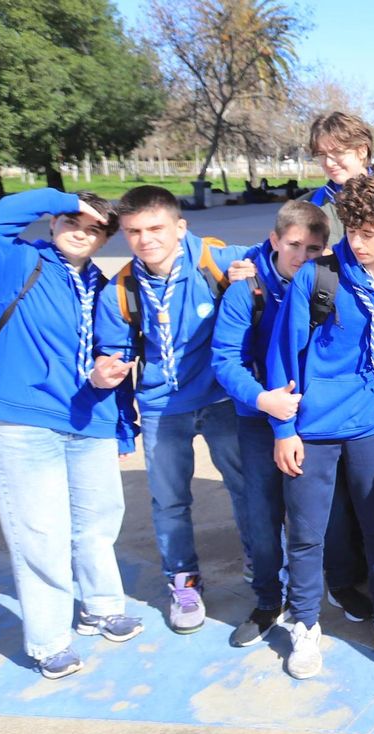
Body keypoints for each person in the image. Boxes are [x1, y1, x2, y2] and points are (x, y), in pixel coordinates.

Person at [0, 186, 140, 678]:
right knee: (39, 531)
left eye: (93, 230)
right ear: (52, 222)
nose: (81, 234)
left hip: (90, 419)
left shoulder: (103, 285)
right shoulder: (17, 263)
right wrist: (59, 198)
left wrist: (114, 397)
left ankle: (102, 605)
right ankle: (49, 639)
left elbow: (112, 350)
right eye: (72, 223)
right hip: (26, 419)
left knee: (99, 520)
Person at [91, 186, 257, 634]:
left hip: (221, 398)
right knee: (169, 501)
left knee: (245, 486)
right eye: (134, 231)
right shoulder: (121, 289)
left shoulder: (215, 260)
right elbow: (114, 353)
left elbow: (283, 249)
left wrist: (257, 270)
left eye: (156, 228)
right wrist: (109, 377)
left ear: (180, 227)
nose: (146, 239)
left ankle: (258, 559)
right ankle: (182, 581)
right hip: (163, 406)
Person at [266, 174, 374, 678]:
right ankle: (305, 625)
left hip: (370, 424)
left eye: (369, 231)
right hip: (314, 427)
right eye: (351, 229)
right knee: (307, 534)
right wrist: (285, 430)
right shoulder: (318, 277)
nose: (356, 241)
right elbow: (283, 354)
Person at [210, 200, 329, 649]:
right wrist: (263, 399)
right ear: (275, 241)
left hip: (312, 420)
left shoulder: (324, 284)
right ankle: (266, 600)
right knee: (261, 516)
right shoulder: (249, 288)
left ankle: (307, 606)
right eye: (294, 245)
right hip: (260, 418)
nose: (302, 256)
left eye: (314, 249)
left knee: (308, 518)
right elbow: (226, 358)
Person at [307, 111, 374, 246]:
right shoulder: (308, 205)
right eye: (322, 154)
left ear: (362, 151)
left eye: (338, 152)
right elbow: (279, 249)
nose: (328, 163)